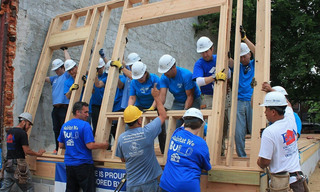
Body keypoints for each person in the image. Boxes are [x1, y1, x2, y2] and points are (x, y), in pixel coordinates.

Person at [116, 84, 167, 192]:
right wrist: (156, 97)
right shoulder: (146, 132)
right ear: (139, 120)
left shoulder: (121, 138)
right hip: (149, 183)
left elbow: (123, 159)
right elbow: (162, 115)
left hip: (132, 184)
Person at [257, 91, 305, 191]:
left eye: (266, 109)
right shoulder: (290, 118)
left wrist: (259, 162)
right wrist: (271, 89)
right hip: (298, 181)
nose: (265, 112)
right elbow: (288, 104)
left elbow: (265, 161)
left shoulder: (269, 132)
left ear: (273, 112)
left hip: (282, 184)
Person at [58, 101, 109, 192]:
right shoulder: (85, 125)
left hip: (69, 164)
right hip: (83, 164)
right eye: (85, 112)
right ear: (78, 112)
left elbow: (61, 145)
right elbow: (90, 145)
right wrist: (103, 145)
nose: (87, 115)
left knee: (71, 190)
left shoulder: (65, 126)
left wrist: (74, 145)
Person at [192, 36, 230, 155]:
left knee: (223, 123)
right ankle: (208, 150)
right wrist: (214, 77)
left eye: (206, 51)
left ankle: (221, 149)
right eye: (202, 52)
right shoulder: (199, 64)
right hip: (207, 96)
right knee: (209, 124)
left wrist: (228, 61)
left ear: (212, 48)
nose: (205, 54)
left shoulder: (219, 59)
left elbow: (228, 74)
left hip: (222, 94)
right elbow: (199, 81)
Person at [159, 108, 211, 192]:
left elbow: (183, 126)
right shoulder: (201, 143)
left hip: (166, 184)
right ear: (201, 124)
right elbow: (206, 166)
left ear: (185, 122)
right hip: (187, 187)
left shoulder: (176, 133)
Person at [0, 112, 46, 192]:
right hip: (18, 165)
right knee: (29, 188)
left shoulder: (10, 131)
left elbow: (15, 147)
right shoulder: (22, 133)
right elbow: (27, 150)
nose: (28, 127)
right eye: (28, 125)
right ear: (23, 122)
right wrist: (38, 154)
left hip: (8, 164)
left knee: (4, 189)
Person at [158, 54, 201, 127]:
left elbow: (190, 96)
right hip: (178, 101)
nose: (165, 74)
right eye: (163, 72)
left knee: (191, 123)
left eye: (166, 71)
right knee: (174, 125)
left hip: (193, 100)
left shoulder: (186, 75)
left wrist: (184, 112)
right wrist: (160, 107)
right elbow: (162, 96)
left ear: (173, 67)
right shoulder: (164, 78)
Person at [235, 26, 256, 157]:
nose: (242, 59)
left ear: (249, 54)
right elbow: (229, 62)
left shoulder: (255, 64)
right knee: (238, 131)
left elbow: (259, 52)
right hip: (239, 101)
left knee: (255, 129)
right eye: (240, 57)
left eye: (244, 56)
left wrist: (244, 39)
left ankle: (257, 155)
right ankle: (242, 156)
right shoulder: (237, 66)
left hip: (252, 100)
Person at [94, 59, 126, 146]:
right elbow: (98, 84)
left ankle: (119, 148)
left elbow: (120, 85)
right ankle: (111, 148)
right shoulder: (107, 78)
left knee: (118, 131)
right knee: (110, 130)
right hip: (110, 107)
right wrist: (95, 74)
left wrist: (116, 74)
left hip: (119, 107)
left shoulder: (122, 78)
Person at [45, 57, 70, 155]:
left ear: (62, 67)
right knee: (56, 129)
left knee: (65, 129)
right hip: (55, 108)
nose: (56, 72)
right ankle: (57, 148)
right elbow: (45, 78)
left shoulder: (66, 76)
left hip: (64, 107)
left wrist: (65, 50)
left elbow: (68, 62)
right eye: (54, 70)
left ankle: (66, 149)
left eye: (57, 69)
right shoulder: (54, 78)